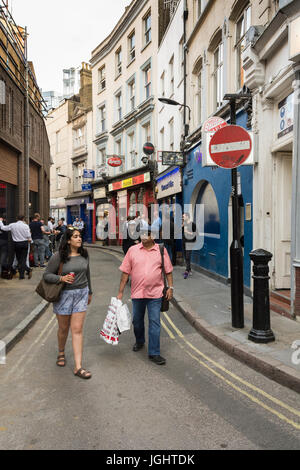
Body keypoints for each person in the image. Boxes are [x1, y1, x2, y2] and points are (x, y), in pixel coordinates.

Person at [117, 228, 174, 366]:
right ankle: (140, 340)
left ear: (152, 236)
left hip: (155, 294)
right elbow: (125, 272)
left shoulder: (161, 250)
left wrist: (171, 288)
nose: (143, 236)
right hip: (137, 293)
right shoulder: (133, 250)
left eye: (146, 234)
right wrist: (120, 292)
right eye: (141, 234)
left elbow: (168, 271)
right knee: (137, 321)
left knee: (154, 322)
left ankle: (154, 352)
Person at [44, 227, 93, 379]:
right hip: (64, 295)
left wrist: (90, 291)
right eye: (76, 237)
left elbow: (87, 273)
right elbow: (46, 275)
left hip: (81, 293)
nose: (79, 239)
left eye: (80, 236)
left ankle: (78, 367)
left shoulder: (84, 254)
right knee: (63, 328)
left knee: (77, 329)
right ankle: (61, 352)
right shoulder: (59, 256)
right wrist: (61, 278)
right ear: (68, 240)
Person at [0, 215, 32, 280]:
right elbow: (28, 235)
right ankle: (24, 273)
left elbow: (3, 228)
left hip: (16, 244)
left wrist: (0, 221)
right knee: (23, 259)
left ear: (17, 218)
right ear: (23, 219)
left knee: (19, 259)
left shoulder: (12, 225)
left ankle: (25, 272)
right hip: (24, 243)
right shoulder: (26, 226)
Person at [182, 213, 197, 279]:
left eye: (184, 216)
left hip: (190, 242)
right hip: (184, 242)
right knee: (185, 256)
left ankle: (186, 271)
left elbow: (195, 234)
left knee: (188, 256)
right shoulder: (184, 224)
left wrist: (188, 232)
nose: (183, 217)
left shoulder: (193, 224)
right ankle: (189, 269)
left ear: (187, 217)